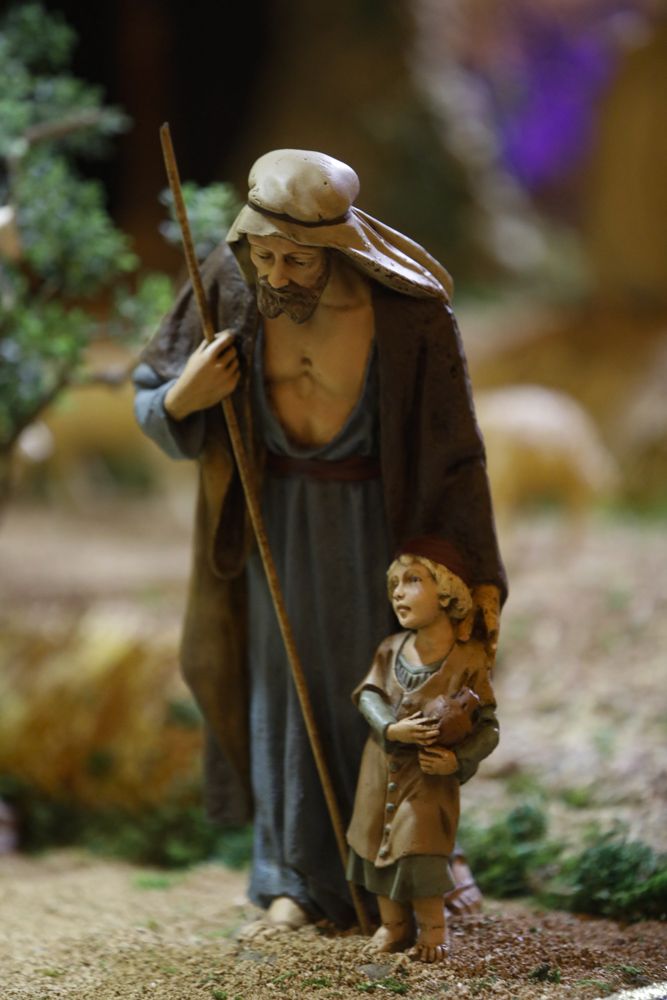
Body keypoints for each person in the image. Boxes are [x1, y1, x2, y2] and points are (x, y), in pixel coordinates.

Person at [133, 149, 506, 930]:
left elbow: (454, 449)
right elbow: (151, 402)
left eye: (296, 260)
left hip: (382, 528)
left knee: (394, 691)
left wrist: (464, 566)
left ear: (335, 247)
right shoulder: (228, 286)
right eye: (263, 254)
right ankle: (289, 877)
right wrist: (181, 396)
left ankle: (411, 864)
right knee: (282, 693)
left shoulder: (409, 313)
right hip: (277, 523)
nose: (276, 274)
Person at [346, 539, 499, 962]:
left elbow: (488, 726)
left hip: (429, 780)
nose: (397, 591)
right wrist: (391, 729)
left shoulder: (469, 660)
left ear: (448, 591)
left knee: (420, 851)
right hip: (380, 768)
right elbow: (368, 695)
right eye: (394, 582)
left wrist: (457, 760)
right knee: (377, 848)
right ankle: (393, 926)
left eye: (412, 580)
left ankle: (434, 929)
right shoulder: (390, 648)